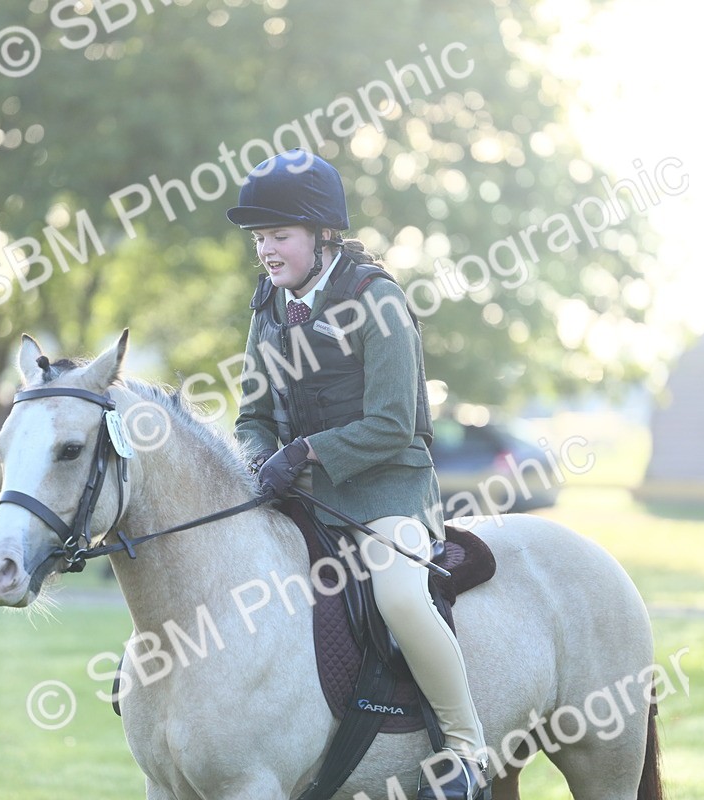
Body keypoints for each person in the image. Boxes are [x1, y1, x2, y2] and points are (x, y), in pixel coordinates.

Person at [229, 149, 489, 800]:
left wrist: (308, 452)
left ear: (322, 237)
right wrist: (261, 457)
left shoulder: (379, 301)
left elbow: (394, 422)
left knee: (399, 596)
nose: (266, 251)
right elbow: (255, 414)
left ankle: (465, 748)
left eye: (279, 236)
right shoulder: (266, 308)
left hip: (386, 490)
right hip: (303, 496)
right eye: (260, 238)